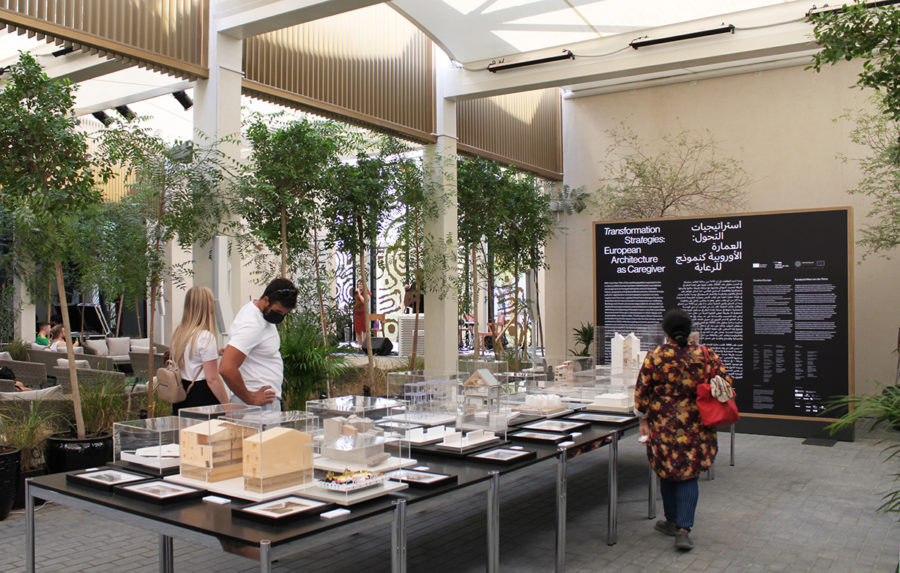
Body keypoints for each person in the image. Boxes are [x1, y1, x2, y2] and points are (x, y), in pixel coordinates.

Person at [634, 308, 733, 551]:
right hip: (696, 425)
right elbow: (725, 383)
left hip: (663, 426)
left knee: (666, 471)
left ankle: (671, 521)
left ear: (665, 331)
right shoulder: (705, 355)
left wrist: (643, 418)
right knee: (689, 473)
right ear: (689, 331)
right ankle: (684, 529)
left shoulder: (655, 356)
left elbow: (642, 391)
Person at [219, 278, 298, 412]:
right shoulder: (252, 324)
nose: (280, 317)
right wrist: (250, 398)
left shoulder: (257, 313)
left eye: (285, 314)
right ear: (266, 300)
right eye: (278, 312)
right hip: (257, 405)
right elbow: (226, 368)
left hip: (262, 401)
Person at [168, 286, 229, 415]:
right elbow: (212, 379)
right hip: (202, 396)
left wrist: (216, 352)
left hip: (181, 393)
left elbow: (190, 356)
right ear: (207, 307)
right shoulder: (205, 337)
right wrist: (228, 406)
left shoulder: (179, 333)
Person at [352, 280, 369, 348]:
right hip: (356, 312)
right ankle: (359, 344)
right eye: (358, 284)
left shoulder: (366, 292)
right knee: (357, 329)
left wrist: (359, 294)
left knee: (364, 329)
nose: (359, 286)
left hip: (363, 312)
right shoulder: (355, 293)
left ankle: (364, 345)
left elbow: (365, 301)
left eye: (361, 284)